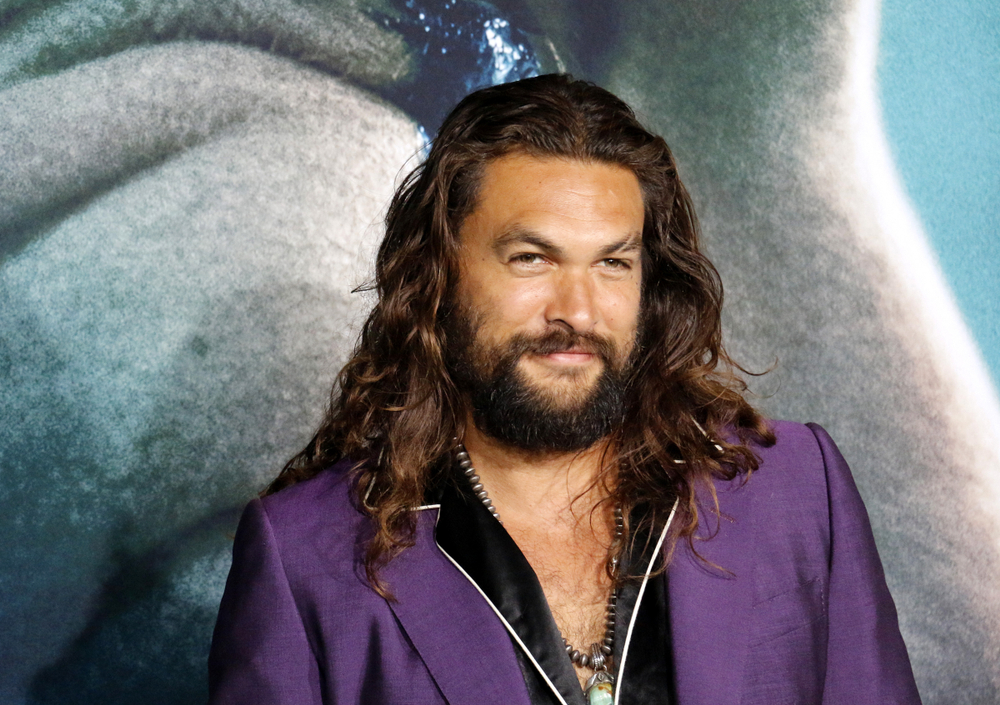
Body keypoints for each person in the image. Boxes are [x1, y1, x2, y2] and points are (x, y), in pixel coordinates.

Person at [208, 74, 921, 705]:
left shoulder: (797, 488)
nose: (577, 312)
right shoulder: (304, 555)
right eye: (531, 258)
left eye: (612, 263)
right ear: (438, 276)